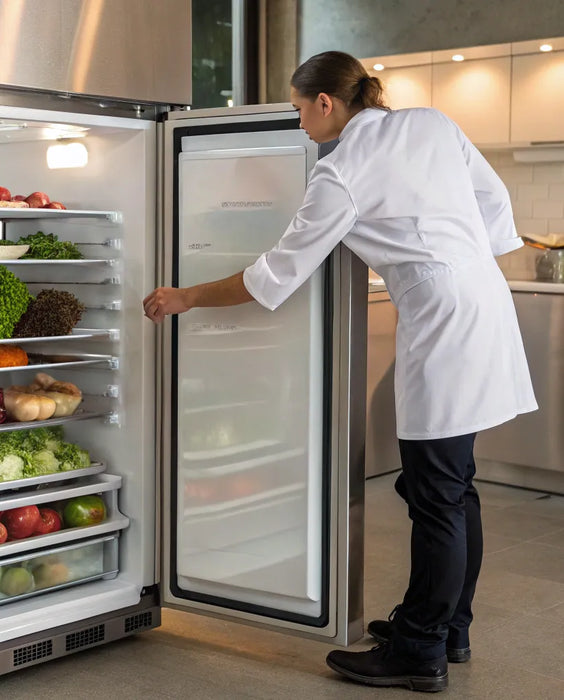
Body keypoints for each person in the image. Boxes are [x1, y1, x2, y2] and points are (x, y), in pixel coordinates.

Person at [143, 50, 537, 692]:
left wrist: (185, 296)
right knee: (454, 483)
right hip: (482, 296)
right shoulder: (432, 123)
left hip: (441, 315)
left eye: (300, 109)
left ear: (326, 102)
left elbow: (277, 272)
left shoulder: (342, 171)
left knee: (436, 493)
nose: (298, 123)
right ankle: (444, 626)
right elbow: (493, 198)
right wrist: (452, 254)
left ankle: (420, 652)